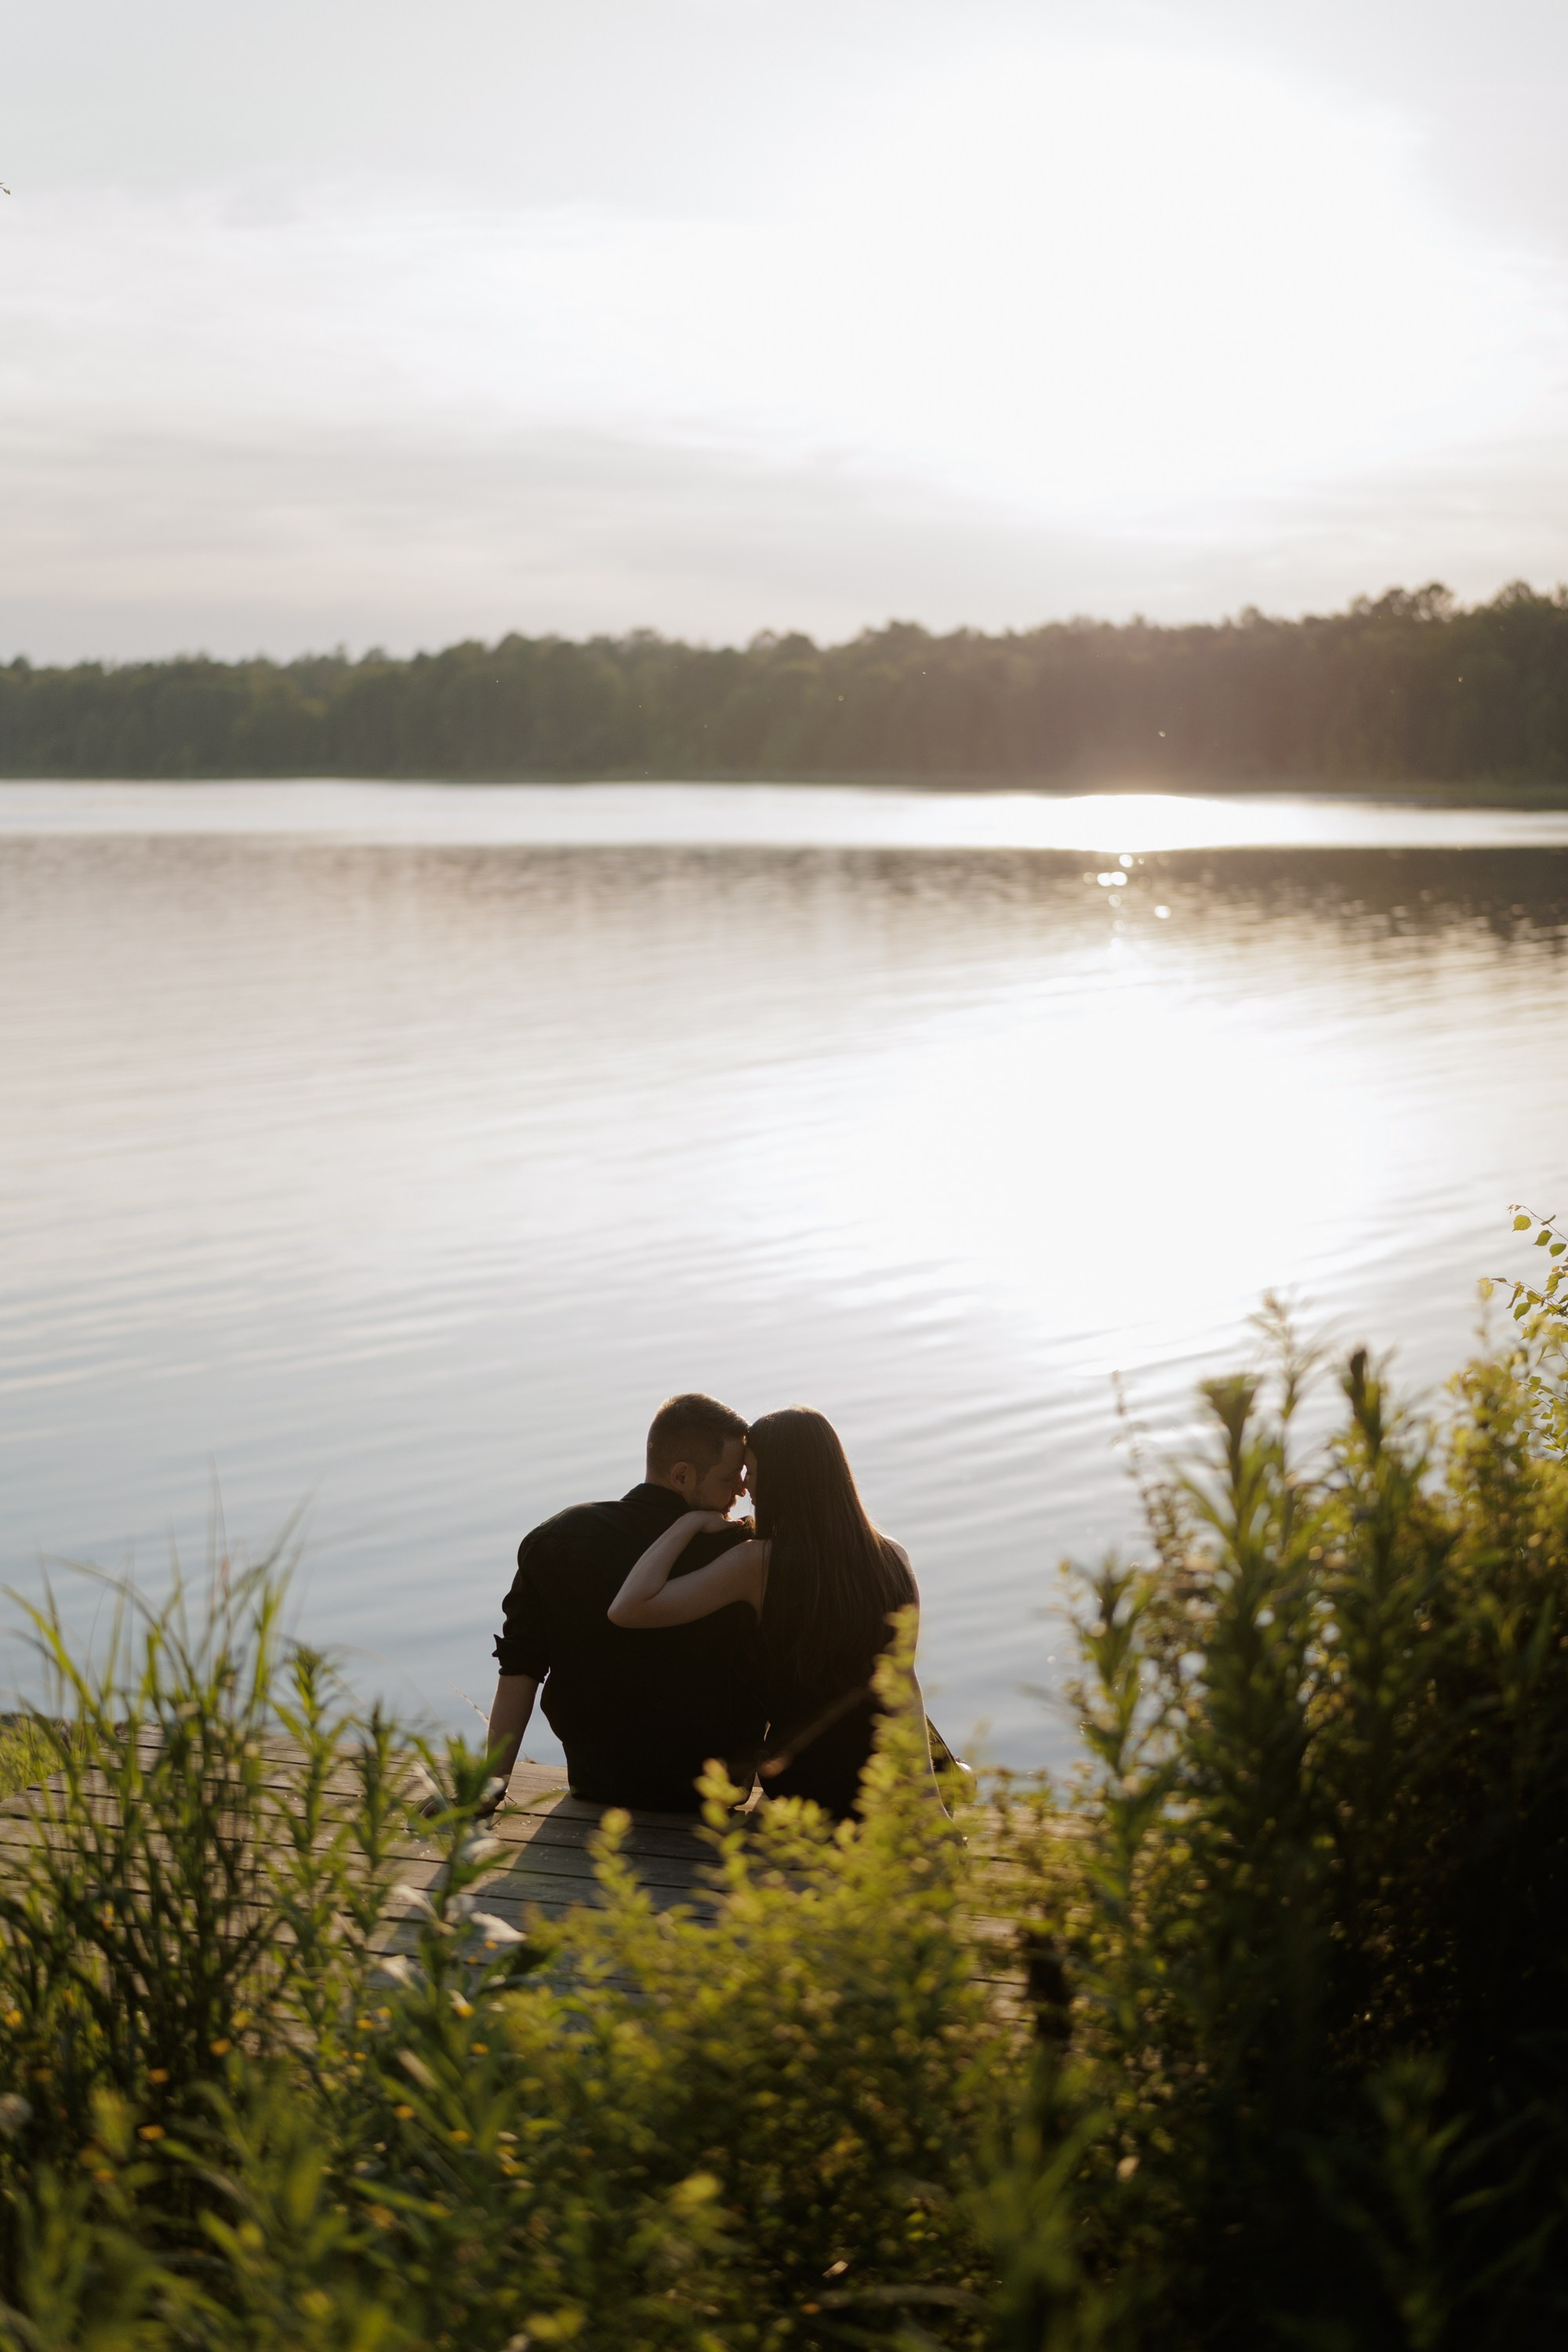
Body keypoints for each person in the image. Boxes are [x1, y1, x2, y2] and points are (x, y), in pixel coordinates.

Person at [608, 1405, 928, 1820]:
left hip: (806, 1787)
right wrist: (931, 1807)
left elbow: (628, 1608)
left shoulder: (758, 1563)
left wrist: (688, 1524)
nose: (746, 1490)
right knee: (961, 1772)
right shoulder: (893, 1557)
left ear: (782, 1482)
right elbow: (906, 1684)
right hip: (884, 1784)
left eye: (753, 1474)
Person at [484, 1393, 765, 1814]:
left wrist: (490, 1787)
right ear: (683, 1476)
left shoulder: (558, 1538)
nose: (740, 1492)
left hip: (598, 1780)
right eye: (730, 1477)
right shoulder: (741, 1552)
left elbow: (520, 1665)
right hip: (709, 1791)